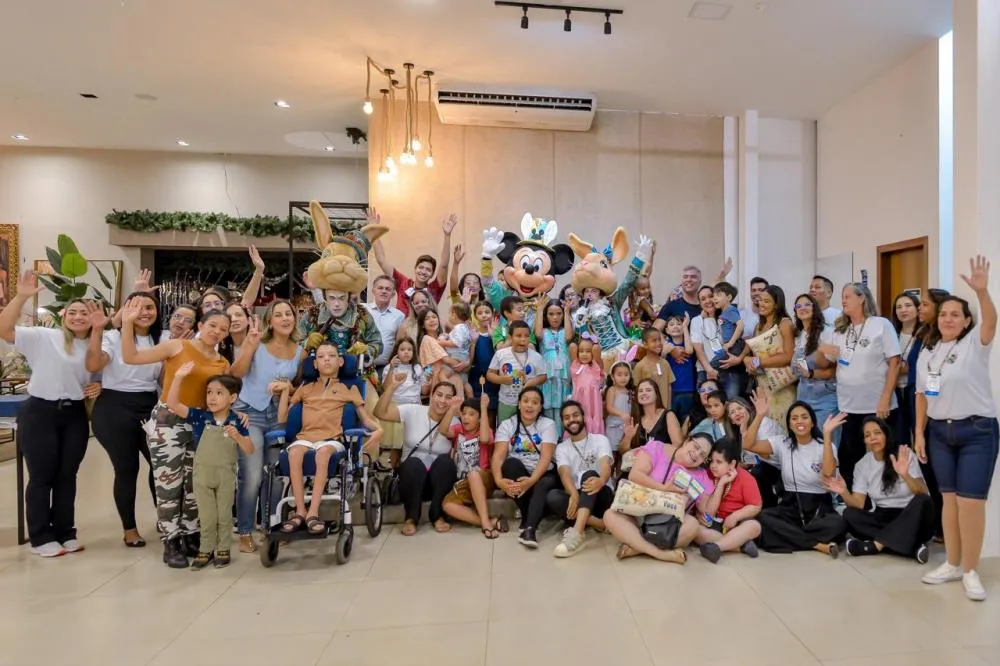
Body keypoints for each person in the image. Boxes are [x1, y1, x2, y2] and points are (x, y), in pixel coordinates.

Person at [120, 301, 231, 568]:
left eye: (223, 329)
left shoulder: (222, 363)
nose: (217, 332)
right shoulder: (177, 346)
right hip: (168, 422)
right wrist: (126, 324)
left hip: (199, 424)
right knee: (169, 483)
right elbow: (131, 357)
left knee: (195, 484)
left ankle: (191, 533)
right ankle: (170, 539)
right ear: (201, 325)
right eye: (212, 325)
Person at [0, 273, 101, 557]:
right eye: (73, 312)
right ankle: (41, 536)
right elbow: (4, 329)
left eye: (85, 313)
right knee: (42, 475)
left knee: (68, 475)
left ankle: (65, 531)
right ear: (64, 316)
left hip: (74, 414)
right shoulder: (45, 336)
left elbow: (97, 370)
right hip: (41, 412)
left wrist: (99, 385)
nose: (78, 316)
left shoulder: (95, 344)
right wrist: (21, 296)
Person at [915, 256, 997, 601]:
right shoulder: (929, 353)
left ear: (966, 321)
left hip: (977, 431)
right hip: (939, 433)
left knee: (970, 503)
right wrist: (919, 433)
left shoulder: (975, 344)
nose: (948, 319)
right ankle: (951, 563)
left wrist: (982, 292)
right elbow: (923, 395)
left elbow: (991, 321)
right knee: (948, 501)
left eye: (955, 314)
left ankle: (971, 571)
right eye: (944, 314)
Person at [276, 341, 382, 535]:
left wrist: (379, 431)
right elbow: (282, 418)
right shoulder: (305, 388)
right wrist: (284, 391)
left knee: (323, 453)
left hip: (332, 439)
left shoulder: (349, 389)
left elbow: (366, 420)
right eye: (321, 356)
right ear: (314, 364)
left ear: (340, 362)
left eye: (332, 356)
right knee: (294, 453)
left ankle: (313, 513)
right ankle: (300, 511)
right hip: (306, 437)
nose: (326, 359)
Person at [86, 293, 162, 548]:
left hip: (150, 406)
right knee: (127, 469)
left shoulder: (162, 338)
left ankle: (165, 520)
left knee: (160, 465)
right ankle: (129, 529)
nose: (144, 312)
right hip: (114, 407)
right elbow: (94, 364)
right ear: (125, 310)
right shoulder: (113, 337)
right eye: (136, 307)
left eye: (149, 307)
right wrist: (97, 330)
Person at [229, 300, 303, 553]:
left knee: (275, 475)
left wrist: (288, 388)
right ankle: (245, 531)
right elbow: (235, 374)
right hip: (250, 413)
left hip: (278, 416)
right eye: (279, 315)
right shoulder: (257, 343)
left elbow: (299, 387)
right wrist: (249, 346)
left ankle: (271, 526)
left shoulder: (300, 350)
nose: (285, 318)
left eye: (289, 314)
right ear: (270, 321)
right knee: (251, 475)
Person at [165, 364, 253, 569]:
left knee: (224, 514)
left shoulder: (237, 421)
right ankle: (205, 549)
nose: (212, 398)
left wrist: (238, 437)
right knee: (206, 516)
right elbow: (173, 404)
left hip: (225, 476)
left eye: (219, 393)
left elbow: (249, 449)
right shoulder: (200, 417)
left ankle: (223, 548)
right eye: (209, 392)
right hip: (202, 475)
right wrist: (178, 377)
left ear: (232, 398)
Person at [820, 283, 900, 491]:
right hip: (849, 405)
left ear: (862, 298)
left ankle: (888, 499)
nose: (843, 300)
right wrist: (821, 348)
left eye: (847, 296)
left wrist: (885, 398)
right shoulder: (840, 330)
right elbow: (827, 361)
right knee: (850, 459)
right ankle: (856, 501)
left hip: (878, 405)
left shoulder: (880, 324)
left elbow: (894, 362)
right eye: (842, 297)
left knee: (884, 456)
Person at [746, 399, 846, 557]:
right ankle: (818, 545)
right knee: (763, 517)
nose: (800, 421)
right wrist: (759, 416)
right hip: (791, 505)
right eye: (794, 418)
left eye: (804, 417)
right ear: (789, 424)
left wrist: (827, 435)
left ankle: (791, 537)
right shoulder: (782, 442)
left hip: (819, 507)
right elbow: (748, 445)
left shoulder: (825, 445)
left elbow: (828, 474)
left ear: (812, 422)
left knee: (839, 524)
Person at [825, 417, 932, 563]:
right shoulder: (862, 464)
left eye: (877, 433)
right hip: (883, 516)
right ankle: (911, 547)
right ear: (864, 441)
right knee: (849, 514)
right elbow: (858, 504)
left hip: (911, 516)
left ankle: (875, 546)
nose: (873, 438)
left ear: (886, 434)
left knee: (923, 500)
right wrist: (843, 491)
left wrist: (905, 475)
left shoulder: (904, 454)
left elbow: (922, 491)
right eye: (867, 435)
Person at [604, 433, 718, 564]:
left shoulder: (702, 476)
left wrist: (721, 485)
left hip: (667, 524)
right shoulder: (657, 448)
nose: (696, 454)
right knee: (610, 516)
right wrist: (664, 488)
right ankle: (660, 553)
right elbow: (635, 475)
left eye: (703, 455)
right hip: (637, 511)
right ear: (687, 441)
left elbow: (706, 512)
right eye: (696, 447)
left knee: (692, 525)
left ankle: (637, 546)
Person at [375, 373, 459, 536]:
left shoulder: (454, 422)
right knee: (414, 463)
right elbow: (380, 413)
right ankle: (411, 518)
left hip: (437, 484)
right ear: (431, 395)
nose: (442, 401)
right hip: (411, 480)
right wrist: (392, 386)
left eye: (448, 397)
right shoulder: (413, 410)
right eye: (439, 395)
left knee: (446, 461)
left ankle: (438, 515)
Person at [493, 386, 559, 548]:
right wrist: (499, 481)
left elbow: (546, 457)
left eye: (535, 402)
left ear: (541, 407)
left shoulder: (548, 424)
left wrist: (532, 480)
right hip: (520, 475)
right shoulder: (507, 425)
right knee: (510, 465)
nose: (529, 405)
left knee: (543, 482)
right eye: (526, 401)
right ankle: (528, 513)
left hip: (543, 474)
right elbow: (498, 456)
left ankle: (530, 528)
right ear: (519, 403)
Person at [548, 401, 615, 558]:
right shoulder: (561, 448)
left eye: (575, 415)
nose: (572, 420)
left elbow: (605, 466)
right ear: (562, 422)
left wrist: (601, 480)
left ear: (583, 417)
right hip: (580, 498)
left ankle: (576, 532)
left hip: (602, 493)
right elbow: (564, 473)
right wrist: (574, 494)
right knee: (552, 497)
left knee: (589, 474)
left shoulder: (600, 439)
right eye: (566, 417)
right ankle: (601, 524)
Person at [441, 387, 506, 538]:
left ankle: (486, 524)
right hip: (463, 481)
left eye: (471, 414)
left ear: (480, 418)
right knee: (448, 505)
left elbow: (484, 439)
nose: (466, 418)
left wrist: (483, 408)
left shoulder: (485, 430)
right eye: (464, 414)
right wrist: (451, 409)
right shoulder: (459, 429)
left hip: (483, 477)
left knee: (474, 474)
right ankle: (490, 521)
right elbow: (443, 430)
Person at [372, 211, 456, 315]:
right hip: (402, 325)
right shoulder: (403, 283)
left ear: (432, 275)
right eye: (421, 267)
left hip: (425, 326)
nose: (423, 271)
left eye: (428, 270)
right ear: (415, 269)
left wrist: (447, 235)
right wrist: (374, 230)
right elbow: (381, 260)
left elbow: (444, 266)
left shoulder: (434, 289)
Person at [696, 436, 762, 562]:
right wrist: (721, 484)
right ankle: (740, 545)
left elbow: (756, 505)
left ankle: (717, 547)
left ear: (732, 463)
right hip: (713, 524)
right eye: (711, 461)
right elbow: (709, 512)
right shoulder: (707, 475)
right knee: (696, 530)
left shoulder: (746, 478)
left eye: (719, 462)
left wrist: (735, 516)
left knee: (754, 526)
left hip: (736, 525)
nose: (713, 466)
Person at [744, 285, 796, 423]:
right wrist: (747, 361)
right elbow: (753, 355)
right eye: (760, 300)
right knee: (765, 427)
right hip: (762, 385)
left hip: (782, 384)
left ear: (777, 304)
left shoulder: (785, 324)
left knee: (782, 425)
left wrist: (758, 362)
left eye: (766, 301)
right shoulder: (758, 326)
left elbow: (788, 356)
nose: (761, 304)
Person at [791, 293, 839, 443]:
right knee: (807, 441)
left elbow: (833, 368)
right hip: (803, 394)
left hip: (825, 394)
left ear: (815, 308)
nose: (802, 308)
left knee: (827, 441)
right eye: (798, 306)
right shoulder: (799, 335)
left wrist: (811, 372)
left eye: (807, 304)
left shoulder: (828, 332)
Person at [487, 320, 547, 424]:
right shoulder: (500, 354)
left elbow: (543, 376)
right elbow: (489, 374)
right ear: (510, 337)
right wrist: (502, 379)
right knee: (505, 428)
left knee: (528, 428)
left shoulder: (536, 356)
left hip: (529, 404)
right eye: (518, 336)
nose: (523, 339)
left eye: (526, 336)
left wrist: (532, 382)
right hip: (507, 402)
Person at [534, 295, 573, 429]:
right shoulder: (544, 332)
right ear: (546, 316)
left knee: (563, 405)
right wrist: (540, 310)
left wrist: (567, 312)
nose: (555, 317)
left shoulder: (564, 331)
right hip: (548, 375)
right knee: (548, 405)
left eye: (559, 314)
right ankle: (549, 435)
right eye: (551, 314)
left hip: (563, 375)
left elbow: (569, 336)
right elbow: (537, 334)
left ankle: (562, 435)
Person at [890, 291, 920, 445]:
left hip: (915, 390)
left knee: (920, 434)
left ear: (917, 308)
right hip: (895, 391)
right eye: (899, 307)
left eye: (908, 305)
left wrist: (903, 367)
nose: (903, 310)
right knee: (899, 437)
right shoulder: (891, 334)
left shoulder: (924, 334)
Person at [365, 274, 406, 377]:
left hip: (384, 369)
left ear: (393, 293)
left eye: (388, 289)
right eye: (380, 288)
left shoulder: (399, 316)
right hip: (360, 366)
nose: (384, 291)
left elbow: (399, 343)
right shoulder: (362, 310)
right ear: (373, 290)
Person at [633, 327, 675, 410]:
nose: (658, 343)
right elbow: (637, 390)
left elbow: (669, 386)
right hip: (648, 411)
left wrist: (669, 409)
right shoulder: (640, 366)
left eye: (659, 340)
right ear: (645, 344)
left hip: (664, 410)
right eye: (654, 341)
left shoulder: (665, 363)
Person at [662, 316, 695, 422]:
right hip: (672, 390)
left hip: (688, 389)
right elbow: (661, 360)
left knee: (687, 420)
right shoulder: (667, 345)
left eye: (679, 324)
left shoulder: (687, 343)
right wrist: (668, 349)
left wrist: (685, 327)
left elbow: (689, 351)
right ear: (667, 330)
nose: (675, 326)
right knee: (672, 419)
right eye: (671, 324)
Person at [569, 337, 604, 435]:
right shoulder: (576, 365)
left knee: (592, 418)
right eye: (581, 351)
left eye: (588, 351)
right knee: (579, 417)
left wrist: (595, 342)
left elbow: (596, 349)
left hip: (593, 402)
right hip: (579, 400)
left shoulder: (596, 365)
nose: (584, 354)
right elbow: (572, 346)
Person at [711, 281, 744, 367]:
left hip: (734, 345)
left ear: (729, 297)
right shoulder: (723, 312)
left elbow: (740, 325)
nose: (714, 298)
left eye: (718, 295)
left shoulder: (730, 310)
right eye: (713, 296)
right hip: (729, 345)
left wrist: (730, 343)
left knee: (713, 364)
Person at [604, 361, 633, 452]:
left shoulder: (629, 391)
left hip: (626, 425)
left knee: (624, 449)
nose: (623, 378)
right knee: (613, 449)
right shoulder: (612, 390)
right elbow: (609, 408)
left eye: (626, 374)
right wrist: (621, 414)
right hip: (614, 425)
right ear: (613, 377)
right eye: (619, 375)